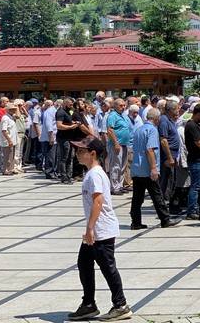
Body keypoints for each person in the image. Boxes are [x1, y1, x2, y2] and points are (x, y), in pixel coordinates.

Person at [67, 136, 132, 321]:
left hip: (101, 230)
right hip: (96, 229)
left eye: (81, 151)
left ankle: (120, 305)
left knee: (107, 267)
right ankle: (88, 304)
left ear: (92, 153)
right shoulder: (91, 173)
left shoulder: (95, 174)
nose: (77, 154)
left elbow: (98, 201)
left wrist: (90, 228)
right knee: (84, 264)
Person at [129, 108, 181, 230]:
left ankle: (135, 222)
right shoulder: (152, 130)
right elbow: (150, 149)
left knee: (137, 197)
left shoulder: (139, 129)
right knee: (157, 194)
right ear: (157, 119)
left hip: (137, 169)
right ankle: (165, 219)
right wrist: (153, 168)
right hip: (147, 169)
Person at [106, 99, 131, 195]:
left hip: (124, 144)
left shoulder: (122, 115)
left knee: (122, 166)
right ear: (115, 106)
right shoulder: (112, 115)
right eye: (121, 105)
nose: (123, 107)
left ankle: (120, 185)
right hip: (116, 145)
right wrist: (116, 143)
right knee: (115, 166)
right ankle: (114, 187)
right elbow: (110, 130)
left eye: (124, 105)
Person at [158, 100, 181, 201]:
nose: (178, 110)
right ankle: (163, 201)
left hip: (173, 154)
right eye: (176, 108)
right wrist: (170, 157)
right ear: (171, 110)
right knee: (166, 179)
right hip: (167, 156)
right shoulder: (164, 120)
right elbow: (163, 140)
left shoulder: (170, 119)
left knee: (171, 179)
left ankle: (167, 199)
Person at [56, 98, 80, 184]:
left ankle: (69, 176)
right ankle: (64, 176)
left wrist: (74, 122)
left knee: (70, 157)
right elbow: (59, 125)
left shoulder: (69, 111)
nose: (71, 106)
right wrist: (71, 127)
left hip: (70, 138)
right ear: (65, 103)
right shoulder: (60, 112)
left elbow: (69, 120)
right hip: (63, 138)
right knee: (64, 158)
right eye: (70, 104)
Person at [0, 103, 18, 175]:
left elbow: (18, 116)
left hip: (12, 140)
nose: (14, 110)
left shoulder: (11, 117)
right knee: (7, 156)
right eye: (12, 109)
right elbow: (4, 130)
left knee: (11, 156)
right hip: (7, 141)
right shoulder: (5, 118)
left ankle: (11, 168)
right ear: (8, 110)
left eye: (14, 109)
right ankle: (5, 170)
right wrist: (9, 140)